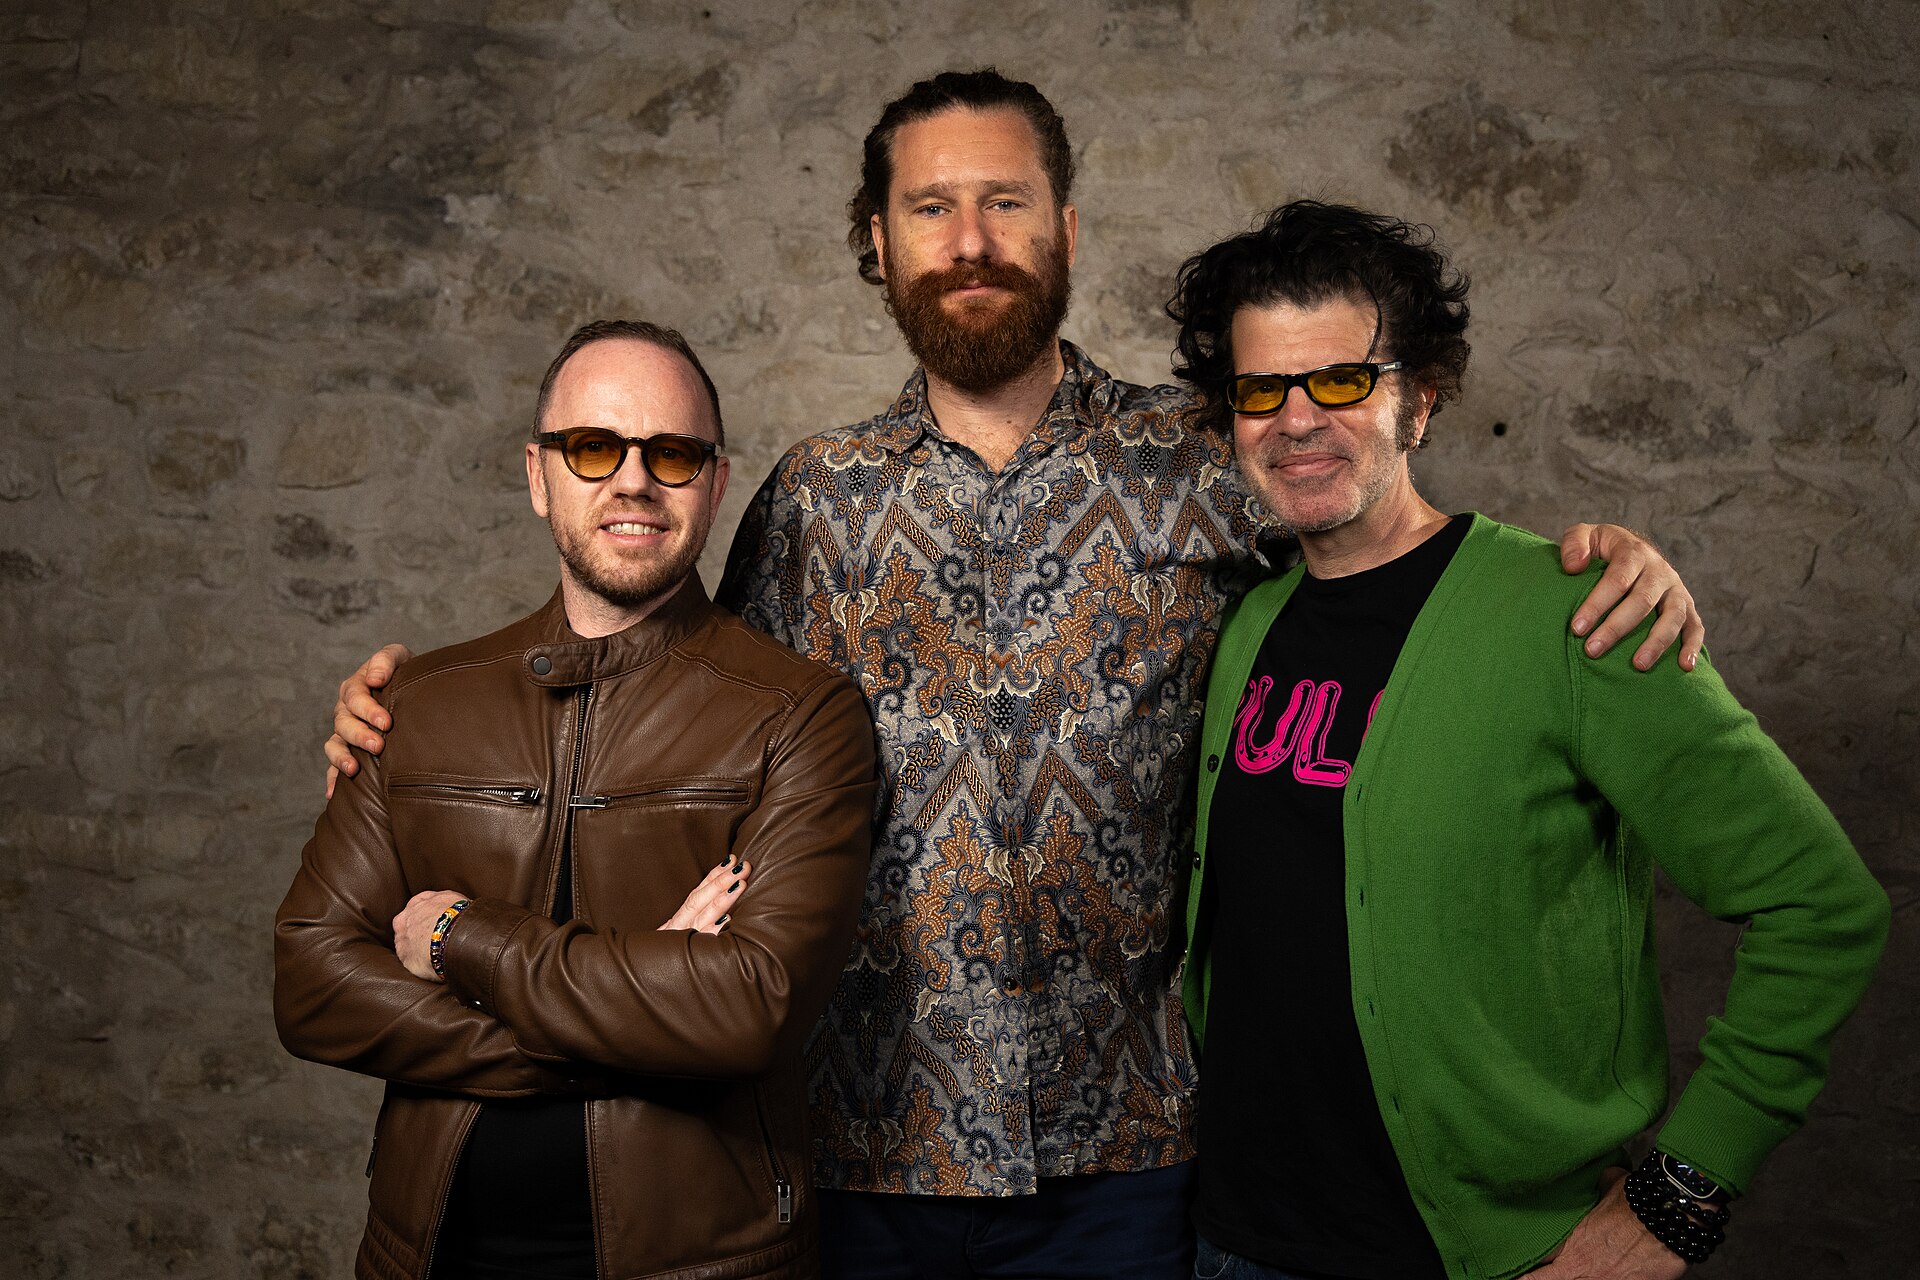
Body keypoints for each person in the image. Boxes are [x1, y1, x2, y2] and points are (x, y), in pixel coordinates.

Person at [323, 72, 1705, 1278]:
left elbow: (1386, 565)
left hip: (1135, 1156)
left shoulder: (1201, 459)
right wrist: (419, 705)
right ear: (876, 242)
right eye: (930, 209)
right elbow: (659, 699)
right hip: (861, 1153)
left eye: (1007, 203)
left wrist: (1597, 561)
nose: (970, 242)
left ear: (1067, 230)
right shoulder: (814, 501)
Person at [1167, 201, 1890, 1280]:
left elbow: (1824, 906)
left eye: (1343, 380)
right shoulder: (1243, 622)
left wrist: (1679, 1196)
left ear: (1422, 397)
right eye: (1262, 389)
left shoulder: (1574, 616)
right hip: (1232, 1243)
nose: (1297, 418)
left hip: (1490, 1256)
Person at [275, 319, 877, 1280]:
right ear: (537, 474)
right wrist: (643, 1016)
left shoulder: (801, 716)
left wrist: (458, 940)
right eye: (593, 447)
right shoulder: (414, 704)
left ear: (715, 485)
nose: (632, 480)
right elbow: (311, 984)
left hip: (703, 1264)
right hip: (429, 1257)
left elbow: (752, 1007)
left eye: (672, 454)